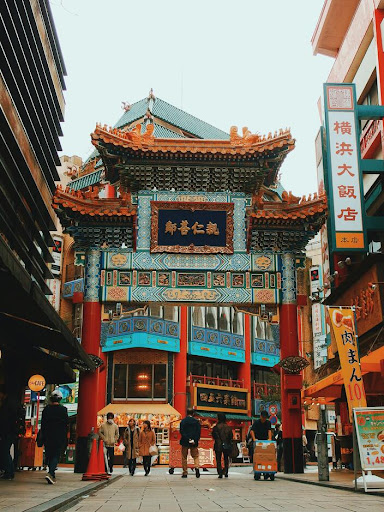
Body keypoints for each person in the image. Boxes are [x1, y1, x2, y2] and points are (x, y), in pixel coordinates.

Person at [41, 388, 68, 484]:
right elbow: (66, 424)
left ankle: (52, 473)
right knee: (56, 454)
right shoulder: (63, 410)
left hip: (48, 435)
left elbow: (43, 424)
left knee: (49, 453)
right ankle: (51, 472)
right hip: (59, 436)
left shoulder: (46, 410)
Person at [0, 388, 22, 481]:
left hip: (7, 432)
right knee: (5, 451)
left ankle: (9, 472)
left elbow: (5, 420)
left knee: (4, 452)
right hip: (11, 432)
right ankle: (9, 471)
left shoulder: (7, 405)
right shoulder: (12, 403)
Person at [179, 408, 201, 478]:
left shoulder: (183, 421)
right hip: (194, 442)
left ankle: (185, 472)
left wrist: (188, 438)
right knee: (195, 456)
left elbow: (182, 431)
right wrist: (194, 439)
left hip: (185, 441)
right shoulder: (196, 422)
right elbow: (198, 432)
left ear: (186, 413)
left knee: (184, 457)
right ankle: (197, 468)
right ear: (193, 413)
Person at [212, 413, 233, 478]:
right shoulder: (228, 427)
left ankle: (220, 473)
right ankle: (226, 472)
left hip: (218, 444)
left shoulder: (216, 427)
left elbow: (214, 436)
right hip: (226, 444)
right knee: (226, 459)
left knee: (218, 459)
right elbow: (231, 436)